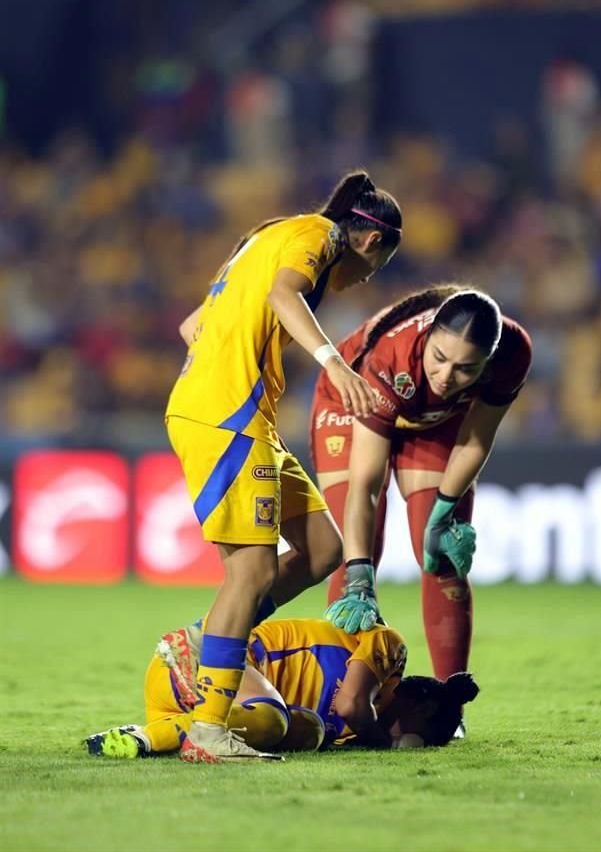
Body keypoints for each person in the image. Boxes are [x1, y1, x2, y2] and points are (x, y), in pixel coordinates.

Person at [164, 171, 403, 763]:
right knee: (251, 575)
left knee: (323, 548)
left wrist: (229, 363)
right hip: (229, 418)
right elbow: (282, 295)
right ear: (369, 244)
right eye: (371, 272)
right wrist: (335, 366)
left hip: (245, 418)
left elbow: (191, 325)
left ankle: (210, 637)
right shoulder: (319, 235)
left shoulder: (267, 236)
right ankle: (209, 729)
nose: (360, 283)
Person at [311, 285, 532, 700]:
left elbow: (476, 439)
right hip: (351, 401)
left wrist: (443, 512)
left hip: (436, 419)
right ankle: (338, 702)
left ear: (490, 359)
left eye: (466, 369)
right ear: (428, 336)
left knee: (441, 557)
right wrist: (360, 571)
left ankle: (451, 703)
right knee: (356, 556)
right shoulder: (390, 355)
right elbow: (365, 486)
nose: (447, 377)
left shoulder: (514, 353)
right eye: (440, 358)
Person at [85, 616, 479, 759]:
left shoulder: (345, 738)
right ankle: (144, 736)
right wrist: (387, 744)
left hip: (191, 702)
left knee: (306, 729)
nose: (405, 739)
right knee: (276, 720)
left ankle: (154, 738)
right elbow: (352, 704)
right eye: (418, 738)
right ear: (423, 711)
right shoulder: (390, 647)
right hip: (208, 655)